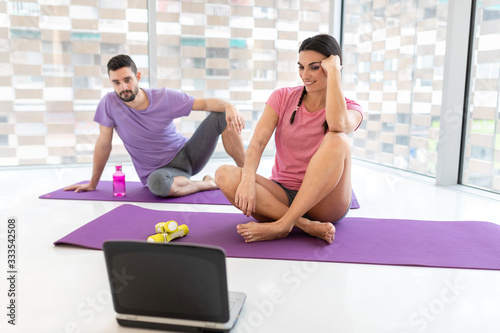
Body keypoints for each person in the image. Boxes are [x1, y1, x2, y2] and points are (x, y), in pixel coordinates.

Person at [215, 34, 363, 244]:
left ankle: (283, 224)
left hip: (325, 202)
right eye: (301, 67)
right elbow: (257, 142)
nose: (305, 75)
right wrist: (247, 180)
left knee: (338, 139)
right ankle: (304, 225)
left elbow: (338, 125)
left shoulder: (351, 108)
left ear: (333, 67)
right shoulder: (283, 96)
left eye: (314, 67)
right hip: (282, 195)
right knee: (224, 174)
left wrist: (334, 72)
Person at [65, 54, 245, 197]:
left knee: (221, 115)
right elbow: (104, 145)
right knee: (157, 185)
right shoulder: (109, 104)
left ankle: (247, 176)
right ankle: (209, 184)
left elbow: (205, 104)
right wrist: (93, 183)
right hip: (159, 172)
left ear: (138, 77)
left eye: (127, 80)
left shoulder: (164, 98)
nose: (123, 87)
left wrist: (229, 106)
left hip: (189, 155)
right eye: (116, 83)